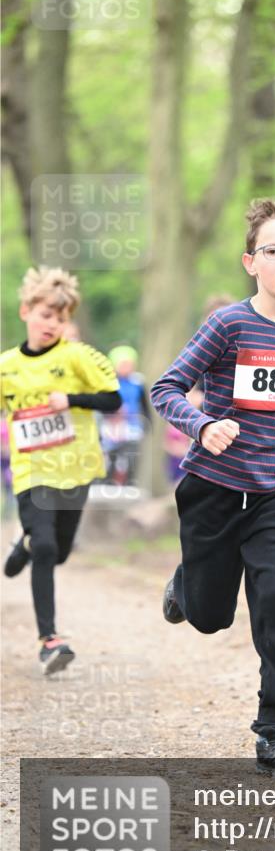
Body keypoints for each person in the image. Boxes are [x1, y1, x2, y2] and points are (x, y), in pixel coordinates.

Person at [151, 197, 275, 778]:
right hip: (214, 489)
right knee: (210, 616)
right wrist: (203, 425)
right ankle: (188, 584)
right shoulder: (228, 324)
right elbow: (166, 388)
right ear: (251, 263)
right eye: (272, 251)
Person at [0, 267, 121, 674]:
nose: (51, 323)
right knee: (48, 548)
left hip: (77, 467)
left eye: (60, 317)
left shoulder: (77, 356)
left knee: (60, 551)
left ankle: (25, 544)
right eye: (45, 314)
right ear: (25, 312)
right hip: (31, 469)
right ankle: (50, 640)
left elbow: (114, 400)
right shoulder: (6, 366)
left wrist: (70, 399)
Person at [100, 345, 150, 485]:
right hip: (111, 426)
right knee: (111, 456)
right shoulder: (107, 381)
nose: (127, 367)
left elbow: (144, 405)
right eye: (123, 364)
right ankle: (107, 483)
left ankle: (130, 483)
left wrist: (147, 424)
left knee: (131, 455)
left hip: (132, 425)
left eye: (130, 364)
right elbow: (100, 404)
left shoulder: (138, 381)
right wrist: (112, 411)